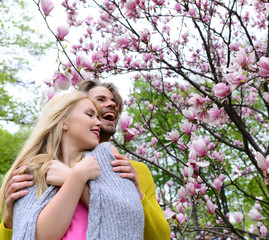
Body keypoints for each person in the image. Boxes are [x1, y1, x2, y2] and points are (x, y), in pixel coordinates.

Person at [0, 81, 171, 239]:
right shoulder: (36, 169)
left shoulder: (128, 169)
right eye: (97, 103)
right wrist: (9, 217)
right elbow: (29, 233)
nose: (111, 105)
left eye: (113, 102)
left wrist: (72, 178)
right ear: (65, 116)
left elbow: (156, 234)